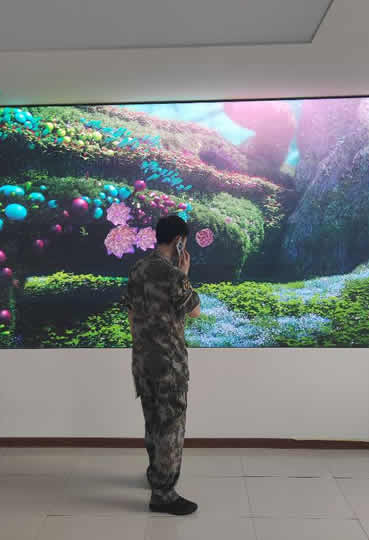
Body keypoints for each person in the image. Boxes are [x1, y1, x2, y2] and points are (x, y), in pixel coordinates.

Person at [122, 215, 202, 515]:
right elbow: (194, 311)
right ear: (179, 240)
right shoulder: (173, 275)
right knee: (171, 426)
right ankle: (164, 494)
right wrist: (185, 274)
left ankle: (155, 474)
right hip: (169, 363)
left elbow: (131, 315)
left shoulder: (138, 269)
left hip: (143, 360)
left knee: (153, 420)